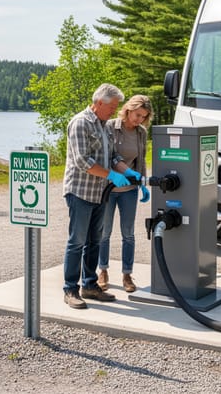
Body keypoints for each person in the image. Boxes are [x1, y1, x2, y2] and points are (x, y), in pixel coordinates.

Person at [61, 83, 142, 309]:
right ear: (99, 103)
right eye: (112, 106)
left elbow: (114, 156)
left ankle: (89, 285)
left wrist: (128, 172)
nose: (115, 111)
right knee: (77, 242)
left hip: (100, 193)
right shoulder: (81, 123)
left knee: (94, 241)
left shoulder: (104, 125)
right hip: (80, 192)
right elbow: (82, 161)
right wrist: (111, 176)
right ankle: (70, 289)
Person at [97, 95, 152, 293]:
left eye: (143, 117)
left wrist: (142, 183)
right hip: (109, 188)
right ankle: (102, 271)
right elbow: (109, 157)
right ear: (128, 109)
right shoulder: (110, 126)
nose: (139, 120)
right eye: (138, 115)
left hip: (128, 190)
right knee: (104, 233)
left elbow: (141, 160)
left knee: (128, 234)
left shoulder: (141, 133)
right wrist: (121, 174)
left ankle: (127, 274)